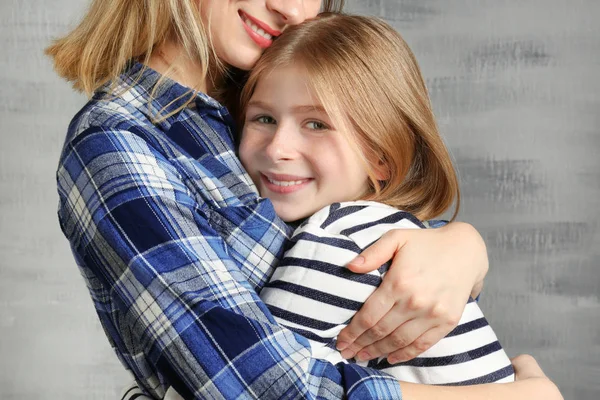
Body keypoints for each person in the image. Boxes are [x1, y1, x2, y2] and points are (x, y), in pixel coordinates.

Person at [44, 0, 560, 399]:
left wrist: (459, 247)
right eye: (263, 120)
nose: (292, 11)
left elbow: (384, 264)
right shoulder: (119, 143)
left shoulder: (282, 83)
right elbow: (265, 387)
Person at [239, 12, 515, 386]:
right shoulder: (389, 226)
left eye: (317, 124)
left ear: (380, 157)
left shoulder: (340, 241)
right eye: (264, 119)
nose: (278, 149)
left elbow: (255, 382)